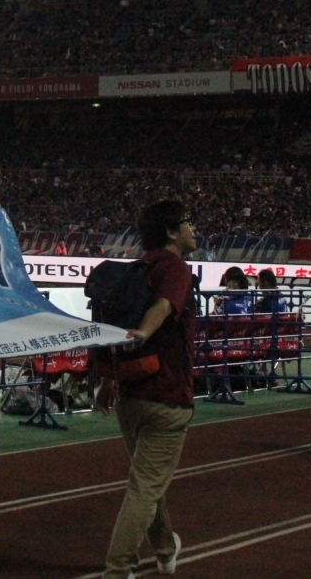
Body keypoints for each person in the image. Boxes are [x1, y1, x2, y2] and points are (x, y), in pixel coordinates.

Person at [95, 199, 197, 579]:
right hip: (167, 395)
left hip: (130, 395)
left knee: (148, 482)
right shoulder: (174, 268)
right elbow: (164, 306)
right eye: (187, 222)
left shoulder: (136, 270)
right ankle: (117, 569)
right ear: (171, 232)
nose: (193, 229)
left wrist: (107, 380)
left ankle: (166, 550)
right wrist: (144, 332)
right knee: (144, 488)